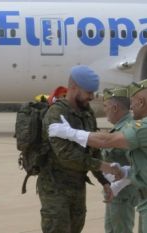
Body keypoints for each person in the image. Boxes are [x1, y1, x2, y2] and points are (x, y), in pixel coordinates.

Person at [48, 75, 147, 233]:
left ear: (141, 101)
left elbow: (107, 141)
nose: (131, 107)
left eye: (133, 102)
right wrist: (125, 172)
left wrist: (70, 133)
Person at [39, 65, 116, 233]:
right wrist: (101, 166)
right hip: (54, 187)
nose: (92, 97)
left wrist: (104, 181)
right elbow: (66, 155)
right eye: (89, 92)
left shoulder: (87, 114)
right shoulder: (56, 114)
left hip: (78, 186)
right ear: (73, 88)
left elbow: (93, 150)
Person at [100, 87, 138, 233]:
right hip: (115, 193)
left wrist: (117, 186)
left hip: (123, 195)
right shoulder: (118, 128)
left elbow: (138, 164)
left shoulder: (128, 129)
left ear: (115, 107)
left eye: (105, 106)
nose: (104, 110)